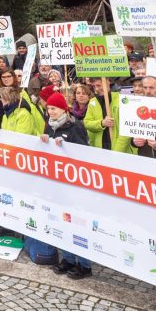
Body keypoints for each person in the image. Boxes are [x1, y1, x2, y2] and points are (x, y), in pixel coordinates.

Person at [40, 93, 92, 278]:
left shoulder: (75, 126)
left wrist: (67, 144)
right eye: (48, 109)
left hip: (74, 184)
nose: (50, 112)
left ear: (63, 109)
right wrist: (44, 141)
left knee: (77, 223)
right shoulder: (49, 125)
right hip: (56, 181)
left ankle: (84, 264)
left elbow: (83, 151)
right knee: (61, 221)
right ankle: (68, 258)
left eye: (53, 108)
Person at [82, 80, 130, 153]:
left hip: (118, 148)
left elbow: (126, 130)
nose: (96, 89)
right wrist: (102, 123)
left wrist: (117, 152)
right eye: (94, 86)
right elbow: (87, 123)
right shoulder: (93, 102)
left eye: (98, 85)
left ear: (107, 82)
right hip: (100, 148)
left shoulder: (122, 99)